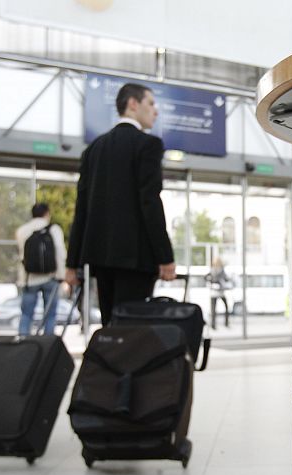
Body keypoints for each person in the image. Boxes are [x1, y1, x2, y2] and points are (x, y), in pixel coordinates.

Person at [65, 83, 176, 326]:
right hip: (136, 258)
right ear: (133, 104)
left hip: (100, 257)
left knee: (111, 329)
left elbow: (81, 208)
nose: (155, 111)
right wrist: (165, 257)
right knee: (133, 332)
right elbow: (150, 202)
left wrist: (72, 263)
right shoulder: (148, 145)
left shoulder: (94, 149)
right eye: (151, 103)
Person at [15, 203, 66, 336]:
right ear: (47, 213)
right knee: (50, 315)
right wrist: (62, 275)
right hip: (51, 277)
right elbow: (60, 253)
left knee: (26, 315)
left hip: (29, 279)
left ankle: (23, 346)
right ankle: (47, 349)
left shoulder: (22, 230)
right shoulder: (54, 229)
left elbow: (21, 256)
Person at [206, 257, 232, 329]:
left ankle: (215, 325)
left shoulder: (213, 271)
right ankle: (221, 324)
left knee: (215, 309)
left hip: (217, 292)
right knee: (218, 309)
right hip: (217, 292)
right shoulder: (216, 271)